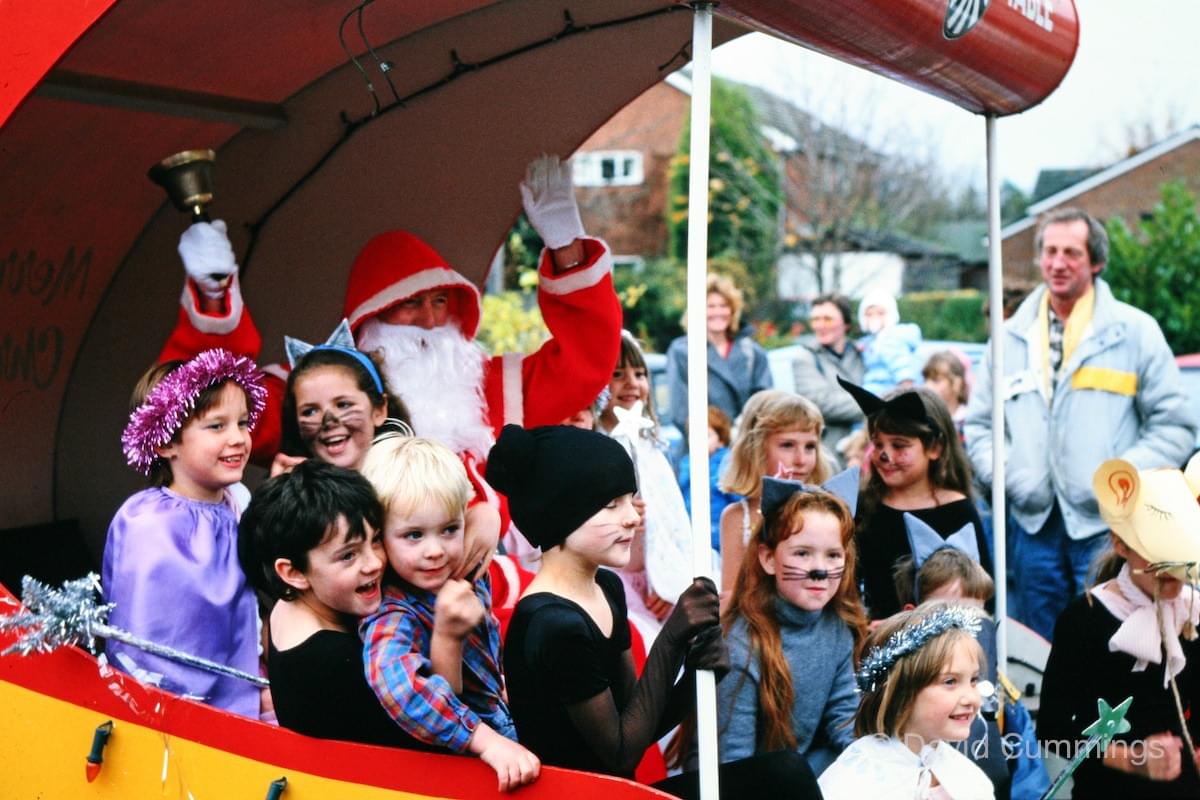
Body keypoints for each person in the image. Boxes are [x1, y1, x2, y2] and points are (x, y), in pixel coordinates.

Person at [159, 155, 623, 539]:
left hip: (484, 593)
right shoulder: (315, 390)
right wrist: (213, 293)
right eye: (410, 305)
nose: (431, 319)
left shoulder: (484, 386)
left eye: (441, 301)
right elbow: (198, 401)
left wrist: (566, 248)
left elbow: (587, 362)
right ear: (370, 316)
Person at [964, 207, 1196, 642]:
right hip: (1031, 529)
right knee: (1037, 647)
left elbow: (1176, 426)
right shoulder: (1009, 337)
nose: (1057, 262)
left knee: (1108, 643)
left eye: (1071, 252)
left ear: (1096, 262)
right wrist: (1009, 476)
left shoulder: (1135, 332)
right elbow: (978, 425)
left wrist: (1119, 480)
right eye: (1049, 251)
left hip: (1110, 530)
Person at [359, 435, 540, 793]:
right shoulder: (394, 611)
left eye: (448, 529)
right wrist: (486, 742)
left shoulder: (463, 570)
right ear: (379, 537)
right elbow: (402, 690)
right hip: (464, 763)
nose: (435, 551)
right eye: (413, 535)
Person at [104, 349, 265, 717]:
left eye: (242, 423)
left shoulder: (237, 502)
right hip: (187, 713)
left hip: (250, 686)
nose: (238, 438)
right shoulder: (149, 522)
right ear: (165, 441)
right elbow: (150, 639)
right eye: (216, 426)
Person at [237, 459, 430, 749]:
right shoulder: (333, 662)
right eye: (348, 555)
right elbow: (434, 730)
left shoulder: (292, 603)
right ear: (293, 572)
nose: (374, 562)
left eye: (376, 540)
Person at [1038, 456, 1200, 799]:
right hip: (1110, 791)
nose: (1168, 569)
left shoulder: (1194, 613)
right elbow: (1052, 726)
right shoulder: (1085, 618)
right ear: (1120, 543)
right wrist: (1130, 760)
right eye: (1151, 552)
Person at [718, 477, 867, 776]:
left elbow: (843, 719)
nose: (820, 569)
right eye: (802, 553)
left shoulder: (836, 628)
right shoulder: (742, 646)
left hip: (800, 773)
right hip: (748, 782)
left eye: (833, 555)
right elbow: (732, 762)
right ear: (769, 558)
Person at [893, 543, 1050, 800]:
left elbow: (1029, 779)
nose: (966, 630)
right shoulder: (897, 691)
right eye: (951, 616)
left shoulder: (1001, 698)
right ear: (913, 614)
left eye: (976, 618)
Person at [841, 378, 991, 621]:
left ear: (935, 448)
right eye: (878, 444)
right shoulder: (863, 506)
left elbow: (980, 594)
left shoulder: (958, 511)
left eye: (899, 445)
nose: (885, 455)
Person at [819, 603, 995, 800]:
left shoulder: (967, 778)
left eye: (973, 680)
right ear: (901, 692)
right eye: (950, 682)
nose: (971, 698)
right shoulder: (855, 782)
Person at [598, 331, 695, 642]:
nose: (632, 383)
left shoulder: (650, 448)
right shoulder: (596, 450)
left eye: (639, 374)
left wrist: (672, 583)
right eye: (617, 375)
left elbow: (674, 522)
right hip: (614, 580)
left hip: (657, 582)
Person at [718, 390, 833, 596]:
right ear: (756, 449)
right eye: (787, 445)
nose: (801, 459)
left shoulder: (827, 513)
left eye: (810, 447)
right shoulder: (737, 517)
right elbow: (730, 597)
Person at [276, 320, 407, 473]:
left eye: (343, 404)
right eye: (310, 411)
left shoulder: (416, 487)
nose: (329, 422)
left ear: (379, 410)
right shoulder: (289, 492)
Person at [666, 273, 772, 431]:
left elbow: (765, 402)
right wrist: (713, 437)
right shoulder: (682, 352)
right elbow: (680, 411)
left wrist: (742, 433)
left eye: (724, 306)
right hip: (702, 446)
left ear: (733, 310)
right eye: (711, 306)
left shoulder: (753, 352)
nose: (718, 312)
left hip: (745, 444)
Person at [790, 293, 866, 452]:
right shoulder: (805, 358)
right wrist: (875, 404)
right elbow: (822, 402)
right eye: (815, 319)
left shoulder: (863, 353)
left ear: (846, 323)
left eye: (828, 319)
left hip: (866, 447)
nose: (820, 325)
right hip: (828, 450)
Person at [678, 405, 739, 550]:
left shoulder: (727, 464)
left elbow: (738, 497)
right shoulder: (687, 463)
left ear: (721, 440)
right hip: (693, 532)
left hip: (721, 534)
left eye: (705, 436)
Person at [857, 289, 923, 397]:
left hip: (888, 393)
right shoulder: (872, 341)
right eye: (869, 314)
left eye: (881, 313)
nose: (874, 318)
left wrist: (906, 389)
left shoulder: (891, 340)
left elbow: (901, 365)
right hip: (875, 391)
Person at [922, 351, 970, 434]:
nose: (926, 386)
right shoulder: (922, 420)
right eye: (925, 379)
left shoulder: (969, 421)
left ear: (957, 383)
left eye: (936, 380)